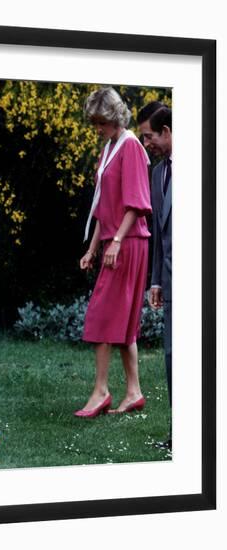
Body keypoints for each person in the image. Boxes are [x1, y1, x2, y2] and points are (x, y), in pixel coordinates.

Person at [75, 87, 152, 418]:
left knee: (102, 315)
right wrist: (94, 247)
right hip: (113, 241)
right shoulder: (109, 148)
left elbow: (137, 203)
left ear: (115, 117)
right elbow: (103, 206)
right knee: (122, 322)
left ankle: (101, 391)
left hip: (129, 241)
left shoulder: (131, 146)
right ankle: (133, 392)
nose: (98, 128)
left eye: (102, 122)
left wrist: (117, 240)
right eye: (94, 123)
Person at [138, 105, 172, 449]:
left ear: (167, 131)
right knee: (173, 357)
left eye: (149, 136)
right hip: (173, 282)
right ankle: (183, 433)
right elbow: (160, 234)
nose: (146, 143)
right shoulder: (158, 174)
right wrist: (156, 280)